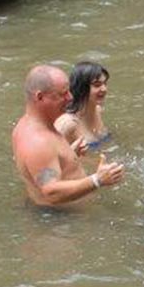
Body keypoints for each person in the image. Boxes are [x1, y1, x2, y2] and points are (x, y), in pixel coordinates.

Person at [12, 64, 124, 207]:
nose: (70, 97)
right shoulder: (39, 141)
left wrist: (69, 155)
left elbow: (42, 169)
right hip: (62, 221)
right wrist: (97, 179)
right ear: (40, 97)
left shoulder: (28, 125)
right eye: (63, 94)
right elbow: (51, 192)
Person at [55, 61, 112, 151]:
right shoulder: (67, 123)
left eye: (105, 83)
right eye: (97, 85)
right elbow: (48, 159)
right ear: (81, 87)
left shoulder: (97, 110)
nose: (104, 89)